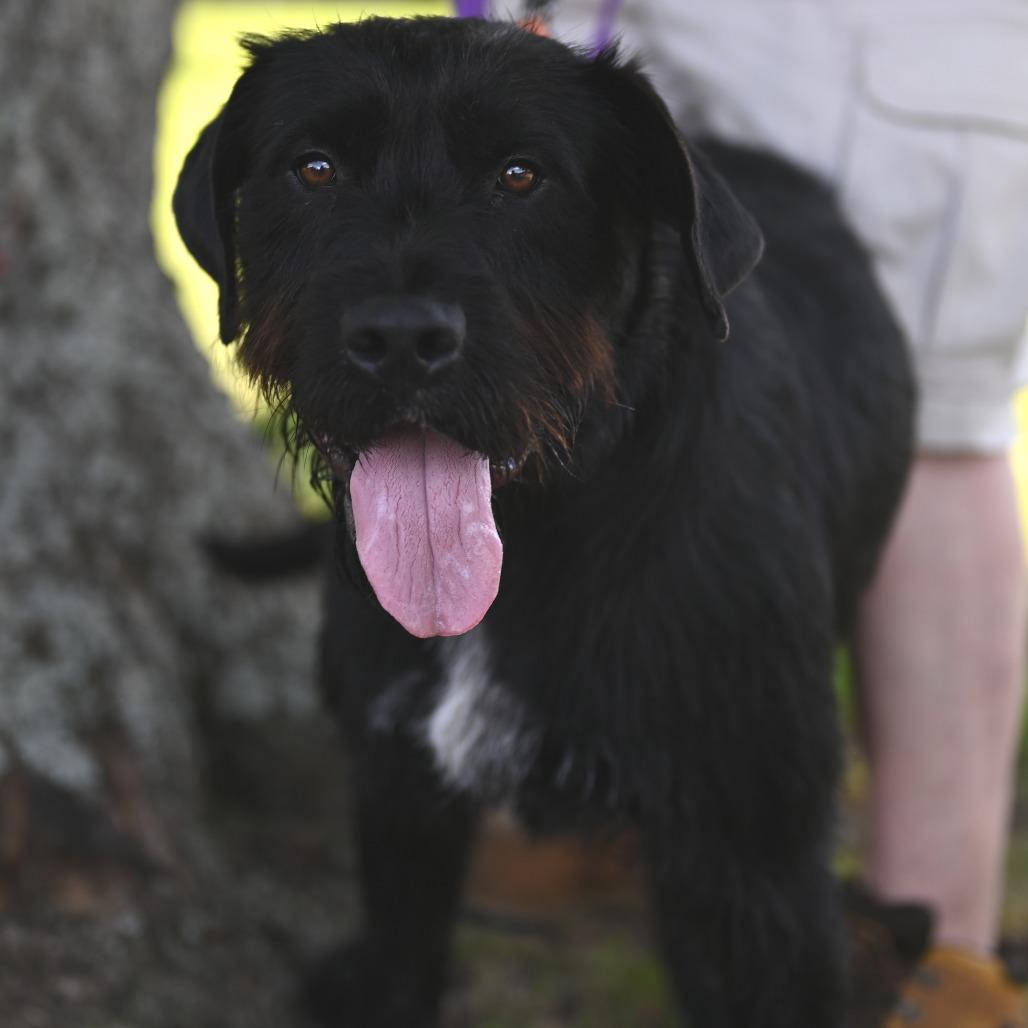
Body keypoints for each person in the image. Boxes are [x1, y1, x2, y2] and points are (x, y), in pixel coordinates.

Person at [546, 2, 1028, 1023]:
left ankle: (932, 959)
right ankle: (600, 800)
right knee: (637, 371)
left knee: (927, 420)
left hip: (868, 41)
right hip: (712, 33)